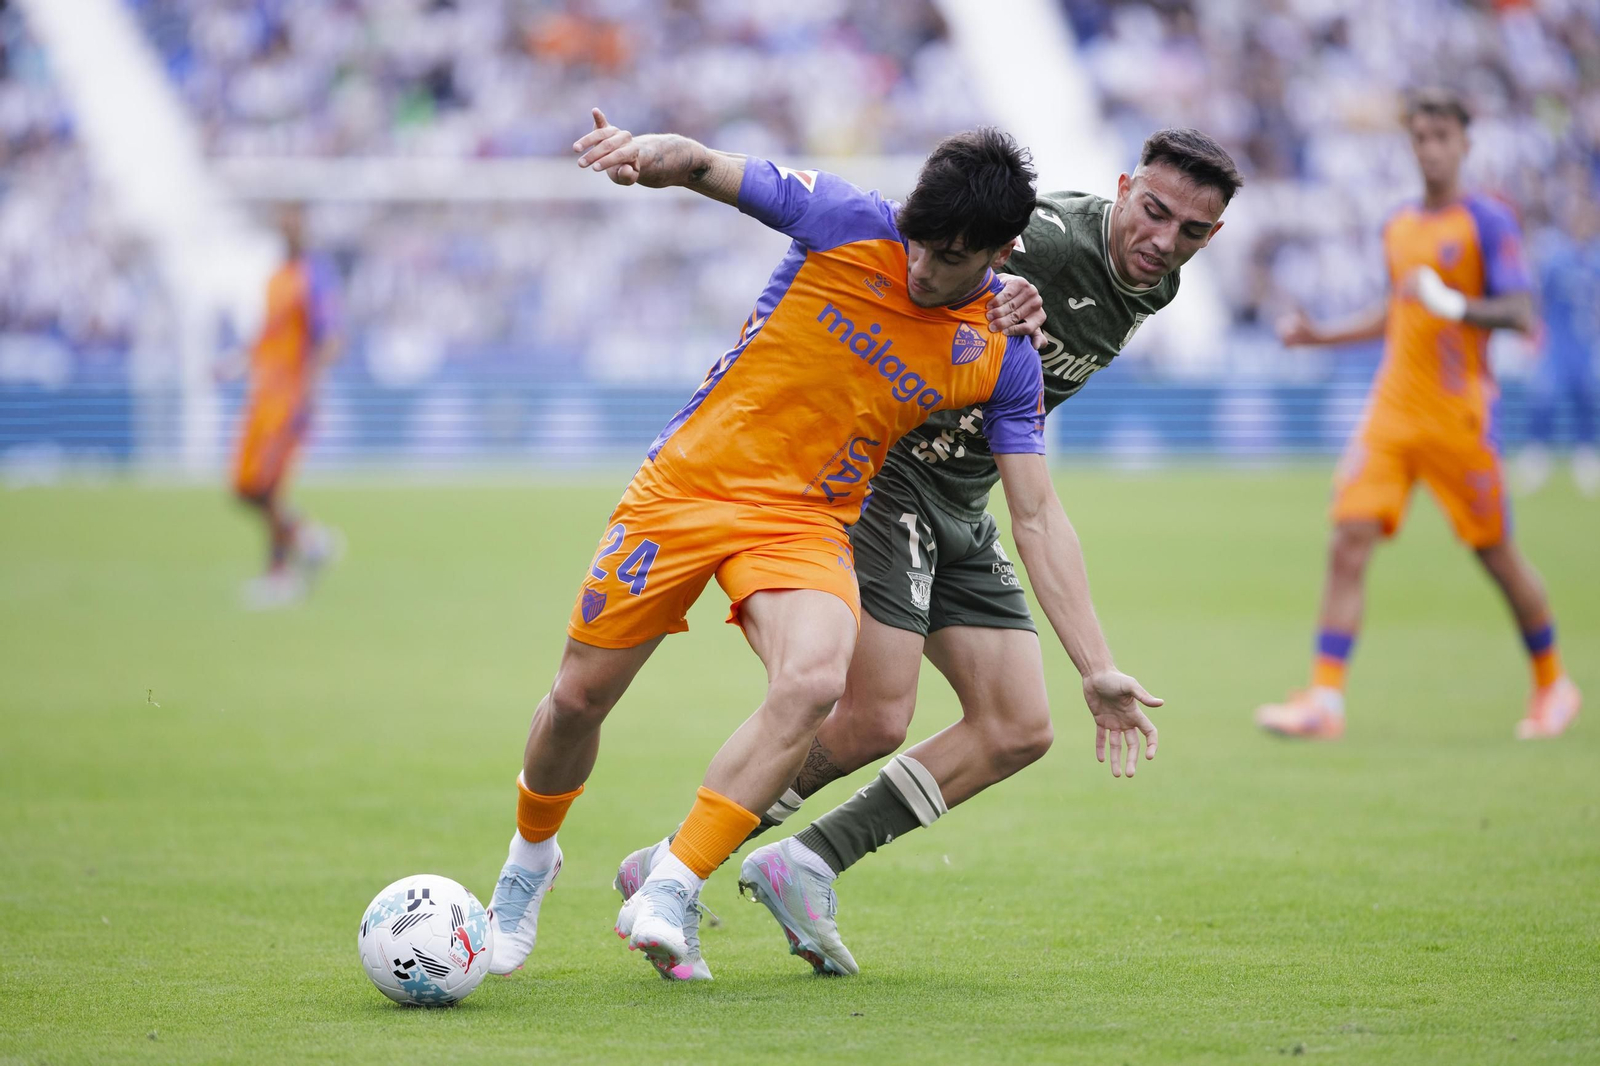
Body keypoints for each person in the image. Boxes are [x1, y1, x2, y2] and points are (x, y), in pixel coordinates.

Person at [486, 108, 1160, 984]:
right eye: (919, 242)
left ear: (1000, 254)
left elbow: (1034, 511)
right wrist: (649, 156)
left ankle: (674, 882)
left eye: (950, 256)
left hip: (807, 521)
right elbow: (706, 165)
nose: (921, 266)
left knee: (813, 684)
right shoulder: (847, 219)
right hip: (685, 489)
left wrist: (1093, 663)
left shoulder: (1004, 353)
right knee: (577, 699)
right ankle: (529, 862)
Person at [1255, 88, 1581, 741]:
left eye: (1441, 137)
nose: (1430, 149)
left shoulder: (1488, 222)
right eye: (1420, 137)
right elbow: (1398, 311)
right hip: (1392, 413)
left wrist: (1456, 305)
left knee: (1497, 556)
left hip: (1459, 418)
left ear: (1465, 143)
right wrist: (1321, 337)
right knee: (1348, 540)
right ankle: (1325, 699)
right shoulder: (1399, 224)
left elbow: (1520, 313)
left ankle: (1552, 683)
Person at [223, 204, 342, 609]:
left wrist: (309, 389)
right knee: (244, 486)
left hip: (289, 397)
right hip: (262, 395)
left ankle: (280, 573)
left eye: (294, 218)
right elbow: (266, 336)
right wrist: (237, 362)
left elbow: (330, 338)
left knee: (270, 485)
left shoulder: (314, 276)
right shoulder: (276, 278)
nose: (287, 225)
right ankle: (307, 538)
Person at [1517, 194, 1600, 496]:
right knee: (1544, 398)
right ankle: (1536, 455)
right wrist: (1535, 337)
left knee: (1588, 398)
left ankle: (1586, 456)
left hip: (1586, 344)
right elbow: (1539, 299)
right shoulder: (1555, 260)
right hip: (1557, 344)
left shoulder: (1596, 261)